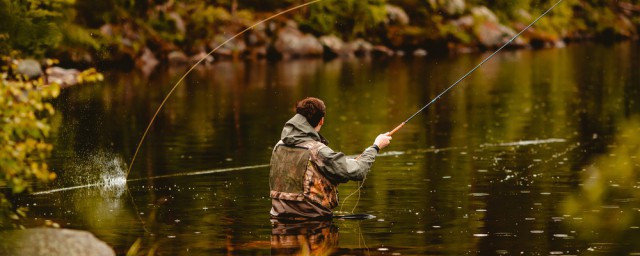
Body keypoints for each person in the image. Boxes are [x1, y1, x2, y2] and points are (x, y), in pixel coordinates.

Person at [269, 97, 392, 219]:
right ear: (321, 121)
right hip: (314, 224)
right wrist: (375, 147)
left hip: (278, 220)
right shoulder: (318, 151)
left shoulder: (279, 145)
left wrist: (348, 163)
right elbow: (358, 171)